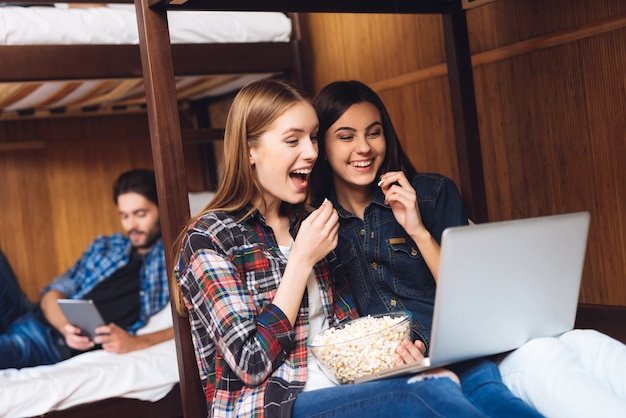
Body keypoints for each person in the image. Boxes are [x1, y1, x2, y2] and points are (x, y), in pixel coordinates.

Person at [171, 78, 498, 417]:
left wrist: (405, 354)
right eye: (292, 140)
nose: (311, 152)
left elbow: (349, 327)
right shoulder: (209, 238)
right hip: (274, 404)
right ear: (249, 149)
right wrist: (299, 261)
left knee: (458, 378)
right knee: (417, 397)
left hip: (345, 386)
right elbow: (251, 362)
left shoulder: (313, 221)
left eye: (313, 138)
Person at [309, 80, 544, 417]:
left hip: (456, 348)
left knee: (492, 397)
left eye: (373, 133)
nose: (364, 148)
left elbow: (470, 295)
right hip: (386, 369)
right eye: (346, 137)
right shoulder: (316, 224)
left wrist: (417, 230)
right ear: (322, 146)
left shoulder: (432, 193)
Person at [0, 168, 173, 370]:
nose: (131, 225)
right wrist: (65, 327)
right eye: (124, 216)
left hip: (46, 345)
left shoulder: (170, 257)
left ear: (162, 209)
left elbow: (192, 322)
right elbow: (51, 294)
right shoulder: (106, 246)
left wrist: (137, 342)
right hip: (31, 313)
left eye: (140, 214)